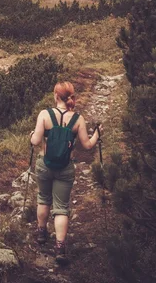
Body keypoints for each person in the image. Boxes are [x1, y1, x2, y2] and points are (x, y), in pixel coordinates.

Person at [29, 81, 102, 265]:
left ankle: (41, 233)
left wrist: (31, 135)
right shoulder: (78, 119)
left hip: (44, 165)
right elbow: (87, 146)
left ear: (55, 96)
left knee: (44, 198)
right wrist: (97, 135)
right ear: (70, 97)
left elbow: (36, 140)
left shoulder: (45, 115)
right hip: (65, 168)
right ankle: (60, 247)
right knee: (61, 207)